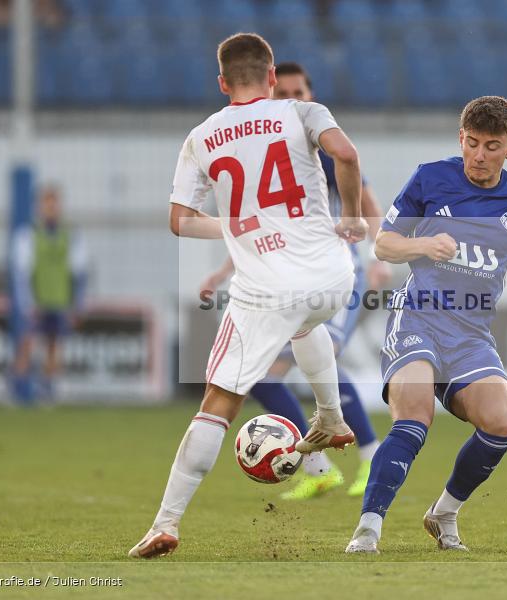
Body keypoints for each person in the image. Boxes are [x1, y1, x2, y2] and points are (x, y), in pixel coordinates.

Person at [129, 33, 368, 559]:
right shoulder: (303, 112)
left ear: (221, 83)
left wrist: (239, 226)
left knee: (217, 403)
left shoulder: (202, 136)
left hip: (267, 288)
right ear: (271, 76)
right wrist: (349, 215)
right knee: (308, 325)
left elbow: (180, 222)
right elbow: (346, 155)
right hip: (332, 275)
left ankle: (166, 523)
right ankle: (330, 417)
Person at [345, 96, 507, 553]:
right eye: (471, 143)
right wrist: (424, 247)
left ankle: (444, 513)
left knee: (501, 421)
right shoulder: (430, 178)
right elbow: (384, 245)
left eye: (492, 145)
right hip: (419, 317)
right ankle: (368, 529)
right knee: (414, 416)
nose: (479, 156)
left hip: (470, 335)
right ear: (460, 139)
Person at [198, 62, 388, 501]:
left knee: (321, 356)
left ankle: (372, 455)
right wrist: (222, 272)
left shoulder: (321, 144)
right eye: (281, 92)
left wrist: (379, 253)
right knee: (261, 377)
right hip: (286, 276)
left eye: (298, 91)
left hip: (338, 273)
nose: (291, 99)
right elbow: (260, 227)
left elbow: (368, 200)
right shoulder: (266, 152)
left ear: (311, 93)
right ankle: (318, 466)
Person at [11, 185, 88, 401]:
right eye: (47, 203)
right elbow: (22, 272)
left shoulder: (70, 235)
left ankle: (47, 392)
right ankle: (18, 391)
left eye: (54, 203)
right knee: (27, 343)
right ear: (39, 207)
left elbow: (79, 271)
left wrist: (77, 304)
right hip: (37, 300)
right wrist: (27, 302)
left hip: (60, 299)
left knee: (54, 346)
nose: (51, 208)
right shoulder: (29, 235)